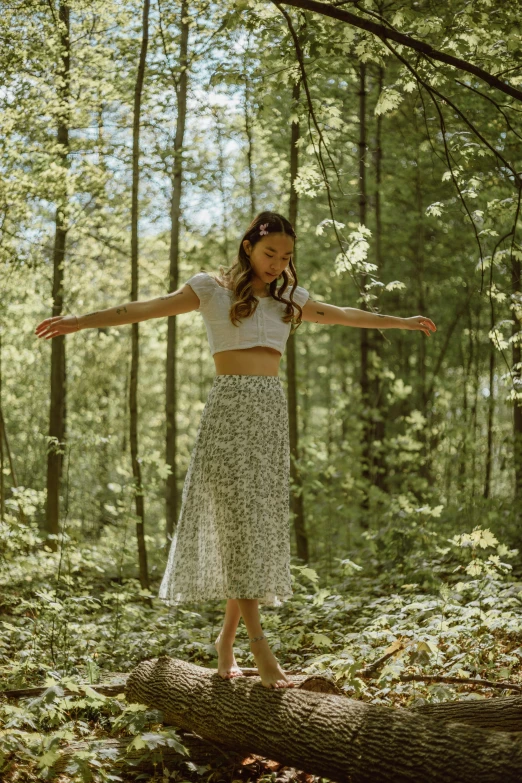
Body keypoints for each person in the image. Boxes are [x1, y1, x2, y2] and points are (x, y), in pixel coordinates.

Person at [35, 209, 437, 689]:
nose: (277, 263)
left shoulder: (290, 299)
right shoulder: (211, 288)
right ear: (249, 246)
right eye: (270, 253)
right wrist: (79, 321)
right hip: (230, 409)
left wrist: (404, 322)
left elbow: (346, 315)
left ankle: (225, 643)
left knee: (253, 527)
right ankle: (259, 649)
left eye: (286, 256)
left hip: (270, 414)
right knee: (239, 525)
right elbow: (144, 308)